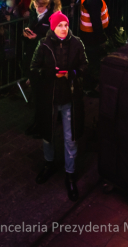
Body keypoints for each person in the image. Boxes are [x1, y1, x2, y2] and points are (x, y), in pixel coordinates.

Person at [30, 11, 86, 202]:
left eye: (66, 25)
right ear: (53, 27)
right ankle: (49, 163)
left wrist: (72, 73)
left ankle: (70, 173)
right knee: (48, 134)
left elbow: (85, 66)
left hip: (70, 98)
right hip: (50, 98)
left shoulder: (77, 43)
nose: (63, 29)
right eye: (60, 25)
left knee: (71, 138)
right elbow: (34, 68)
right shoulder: (44, 45)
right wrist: (50, 74)